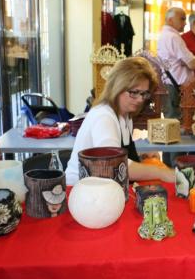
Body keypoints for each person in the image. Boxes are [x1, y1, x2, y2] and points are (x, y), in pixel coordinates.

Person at [65, 57, 176, 185]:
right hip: (79, 190)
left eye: (144, 94)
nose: (140, 99)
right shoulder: (104, 117)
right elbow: (115, 165)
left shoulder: (125, 114)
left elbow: (120, 156)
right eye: (134, 92)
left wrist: (141, 158)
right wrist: (161, 172)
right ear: (117, 87)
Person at [156, 7, 195, 120]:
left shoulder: (164, 35)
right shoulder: (173, 37)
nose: (185, 23)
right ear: (170, 20)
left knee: (171, 123)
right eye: (182, 19)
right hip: (176, 87)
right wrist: (191, 60)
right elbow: (192, 63)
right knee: (175, 124)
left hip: (170, 84)